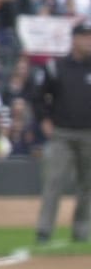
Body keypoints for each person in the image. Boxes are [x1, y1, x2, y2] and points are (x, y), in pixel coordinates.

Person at [28, 22, 91, 244]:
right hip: (62, 133)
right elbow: (37, 96)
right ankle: (44, 231)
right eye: (85, 36)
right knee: (54, 181)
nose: (89, 41)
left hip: (88, 134)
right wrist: (44, 120)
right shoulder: (56, 67)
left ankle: (81, 232)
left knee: (87, 186)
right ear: (74, 39)